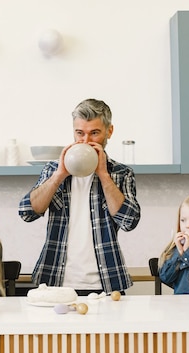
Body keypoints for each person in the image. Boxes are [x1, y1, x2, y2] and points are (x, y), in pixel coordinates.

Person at [19, 98, 141, 295]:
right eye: (79, 133)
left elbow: (129, 221)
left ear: (109, 132)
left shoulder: (121, 173)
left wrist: (103, 174)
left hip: (107, 284)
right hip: (56, 281)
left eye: (94, 133)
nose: (85, 141)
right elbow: (26, 212)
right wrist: (59, 175)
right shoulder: (53, 170)